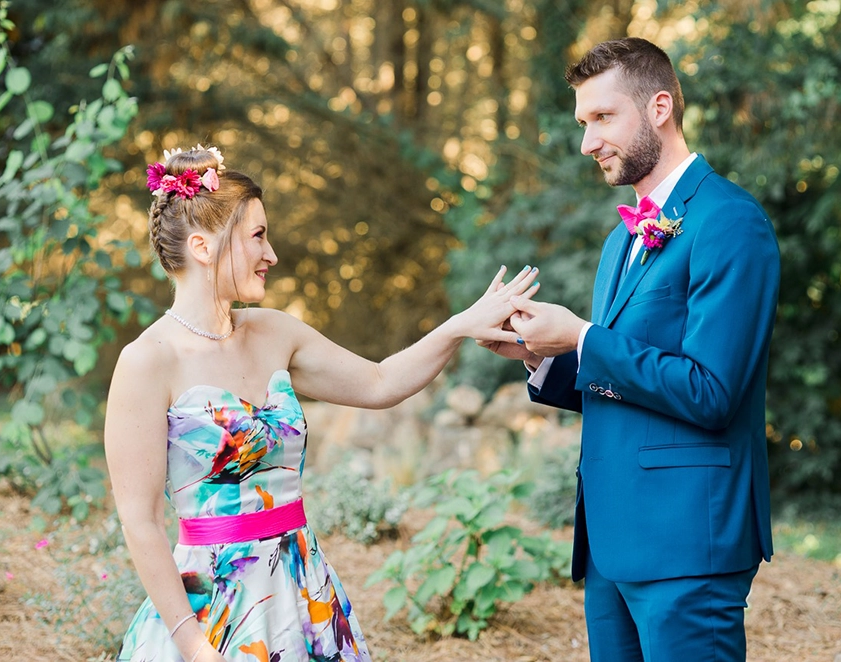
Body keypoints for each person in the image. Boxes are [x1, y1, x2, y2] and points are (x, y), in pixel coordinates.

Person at [105, 144, 539, 662]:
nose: (272, 255)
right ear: (202, 247)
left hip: (304, 592)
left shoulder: (275, 332)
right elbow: (141, 520)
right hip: (210, 611)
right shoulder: (146, 361)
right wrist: (195, 648)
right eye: (258, 237)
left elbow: (379, 383)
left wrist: (459, 327)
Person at [481, 38, 781, 661]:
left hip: (687, 545)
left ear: (660, 107)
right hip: (610, 548)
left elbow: (711, 392)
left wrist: (584, 337)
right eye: (582, 123)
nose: (587, 142)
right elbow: (625, 384)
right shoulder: (621, 241)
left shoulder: (730, 221)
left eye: (601, 118)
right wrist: (540, 355)